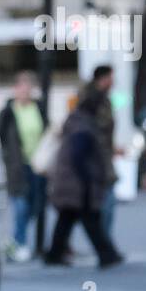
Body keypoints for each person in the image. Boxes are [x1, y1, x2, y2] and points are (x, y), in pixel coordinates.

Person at [44, 94, 124, 268]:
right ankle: (106, 254)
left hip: (69, 181)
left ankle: (54, 254)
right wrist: (88, 179)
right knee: (90, 220)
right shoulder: (84, 127)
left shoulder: (76, 123)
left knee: (67, 220)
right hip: (78, 184)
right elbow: (79, 156)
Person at [0, 70, 47, 262]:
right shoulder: (8, 112)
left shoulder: (38, 108)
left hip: (37, 164)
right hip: (17, 166)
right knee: (21, 206)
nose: (25, 92)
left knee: (35, 204)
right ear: (15, 89)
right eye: (22, 88)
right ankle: (20, 242)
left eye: (28, 88)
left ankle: (14, 241)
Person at [78, 65, 119, 239]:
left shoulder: (102, 99)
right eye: (110, 77)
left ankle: (104, 243)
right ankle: (104, 243)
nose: (113, 82)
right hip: (95, 160)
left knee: (102, 202)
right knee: (104, 203)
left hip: (101, 158)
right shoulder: (92, 100)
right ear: (102, 79)